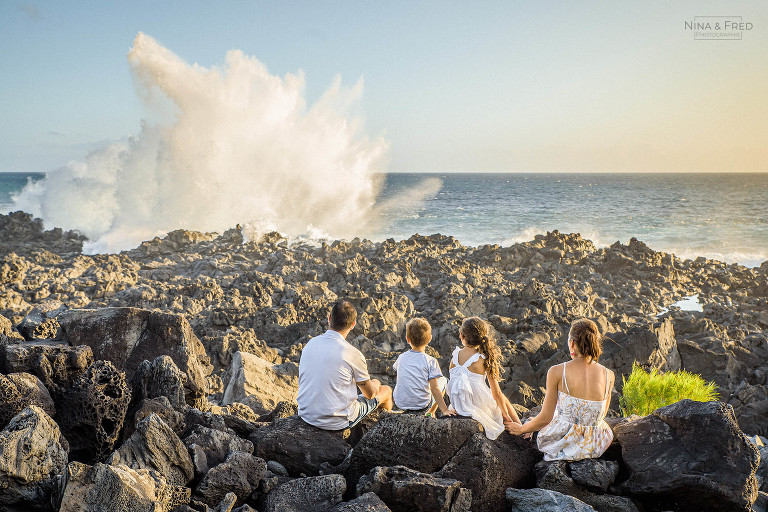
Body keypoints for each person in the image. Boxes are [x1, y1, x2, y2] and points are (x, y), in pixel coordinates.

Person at [505, 318, 615, 461]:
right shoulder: (609, 374)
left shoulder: (557, 371)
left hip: (565, 441)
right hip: (595, 443)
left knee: (534, 422)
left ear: (572, 343)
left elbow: (545, 418)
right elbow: (601, 414)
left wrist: (521, 429)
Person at [298, 300, 393, 430]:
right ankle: (384, 432)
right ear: (353, 324)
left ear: (329, 318)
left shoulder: (310, 344)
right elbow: (369, 395)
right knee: (386, 391)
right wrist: (375, 384)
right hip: (337, 421)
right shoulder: (353, 354)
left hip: (306, 415)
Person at [447, 317, 521, 439]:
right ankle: (520, 427)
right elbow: (496, 393)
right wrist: (505, 415)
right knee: (503, 398)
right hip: (478, 404)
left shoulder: (454, 356)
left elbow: (455, 383)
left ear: (461, 336)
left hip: (459, 405)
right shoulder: (483, 358)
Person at [393, 317, 455, 417]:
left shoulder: (401, 357)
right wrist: (445, 410)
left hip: (400, 403)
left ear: (408, 339)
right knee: (444, 380)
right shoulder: (430, 361)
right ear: (430, 338)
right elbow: (434, 388)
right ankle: (431, 412)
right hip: (422, 406)